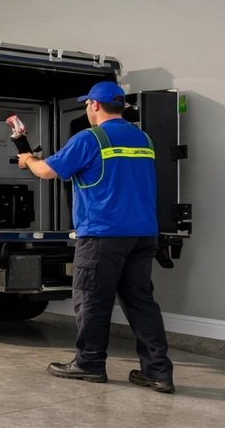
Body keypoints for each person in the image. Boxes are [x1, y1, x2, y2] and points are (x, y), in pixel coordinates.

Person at [15, 82, 175, 393]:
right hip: (143, 235)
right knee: (141, 302)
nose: (87, 109)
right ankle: (158, 371)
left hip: (103, 235)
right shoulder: (143, 138)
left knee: (91, 300)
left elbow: (47, 172)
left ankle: (89, 363)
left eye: (87, 104)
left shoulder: (90, 138)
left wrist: (29, 160)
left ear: (96, 106)